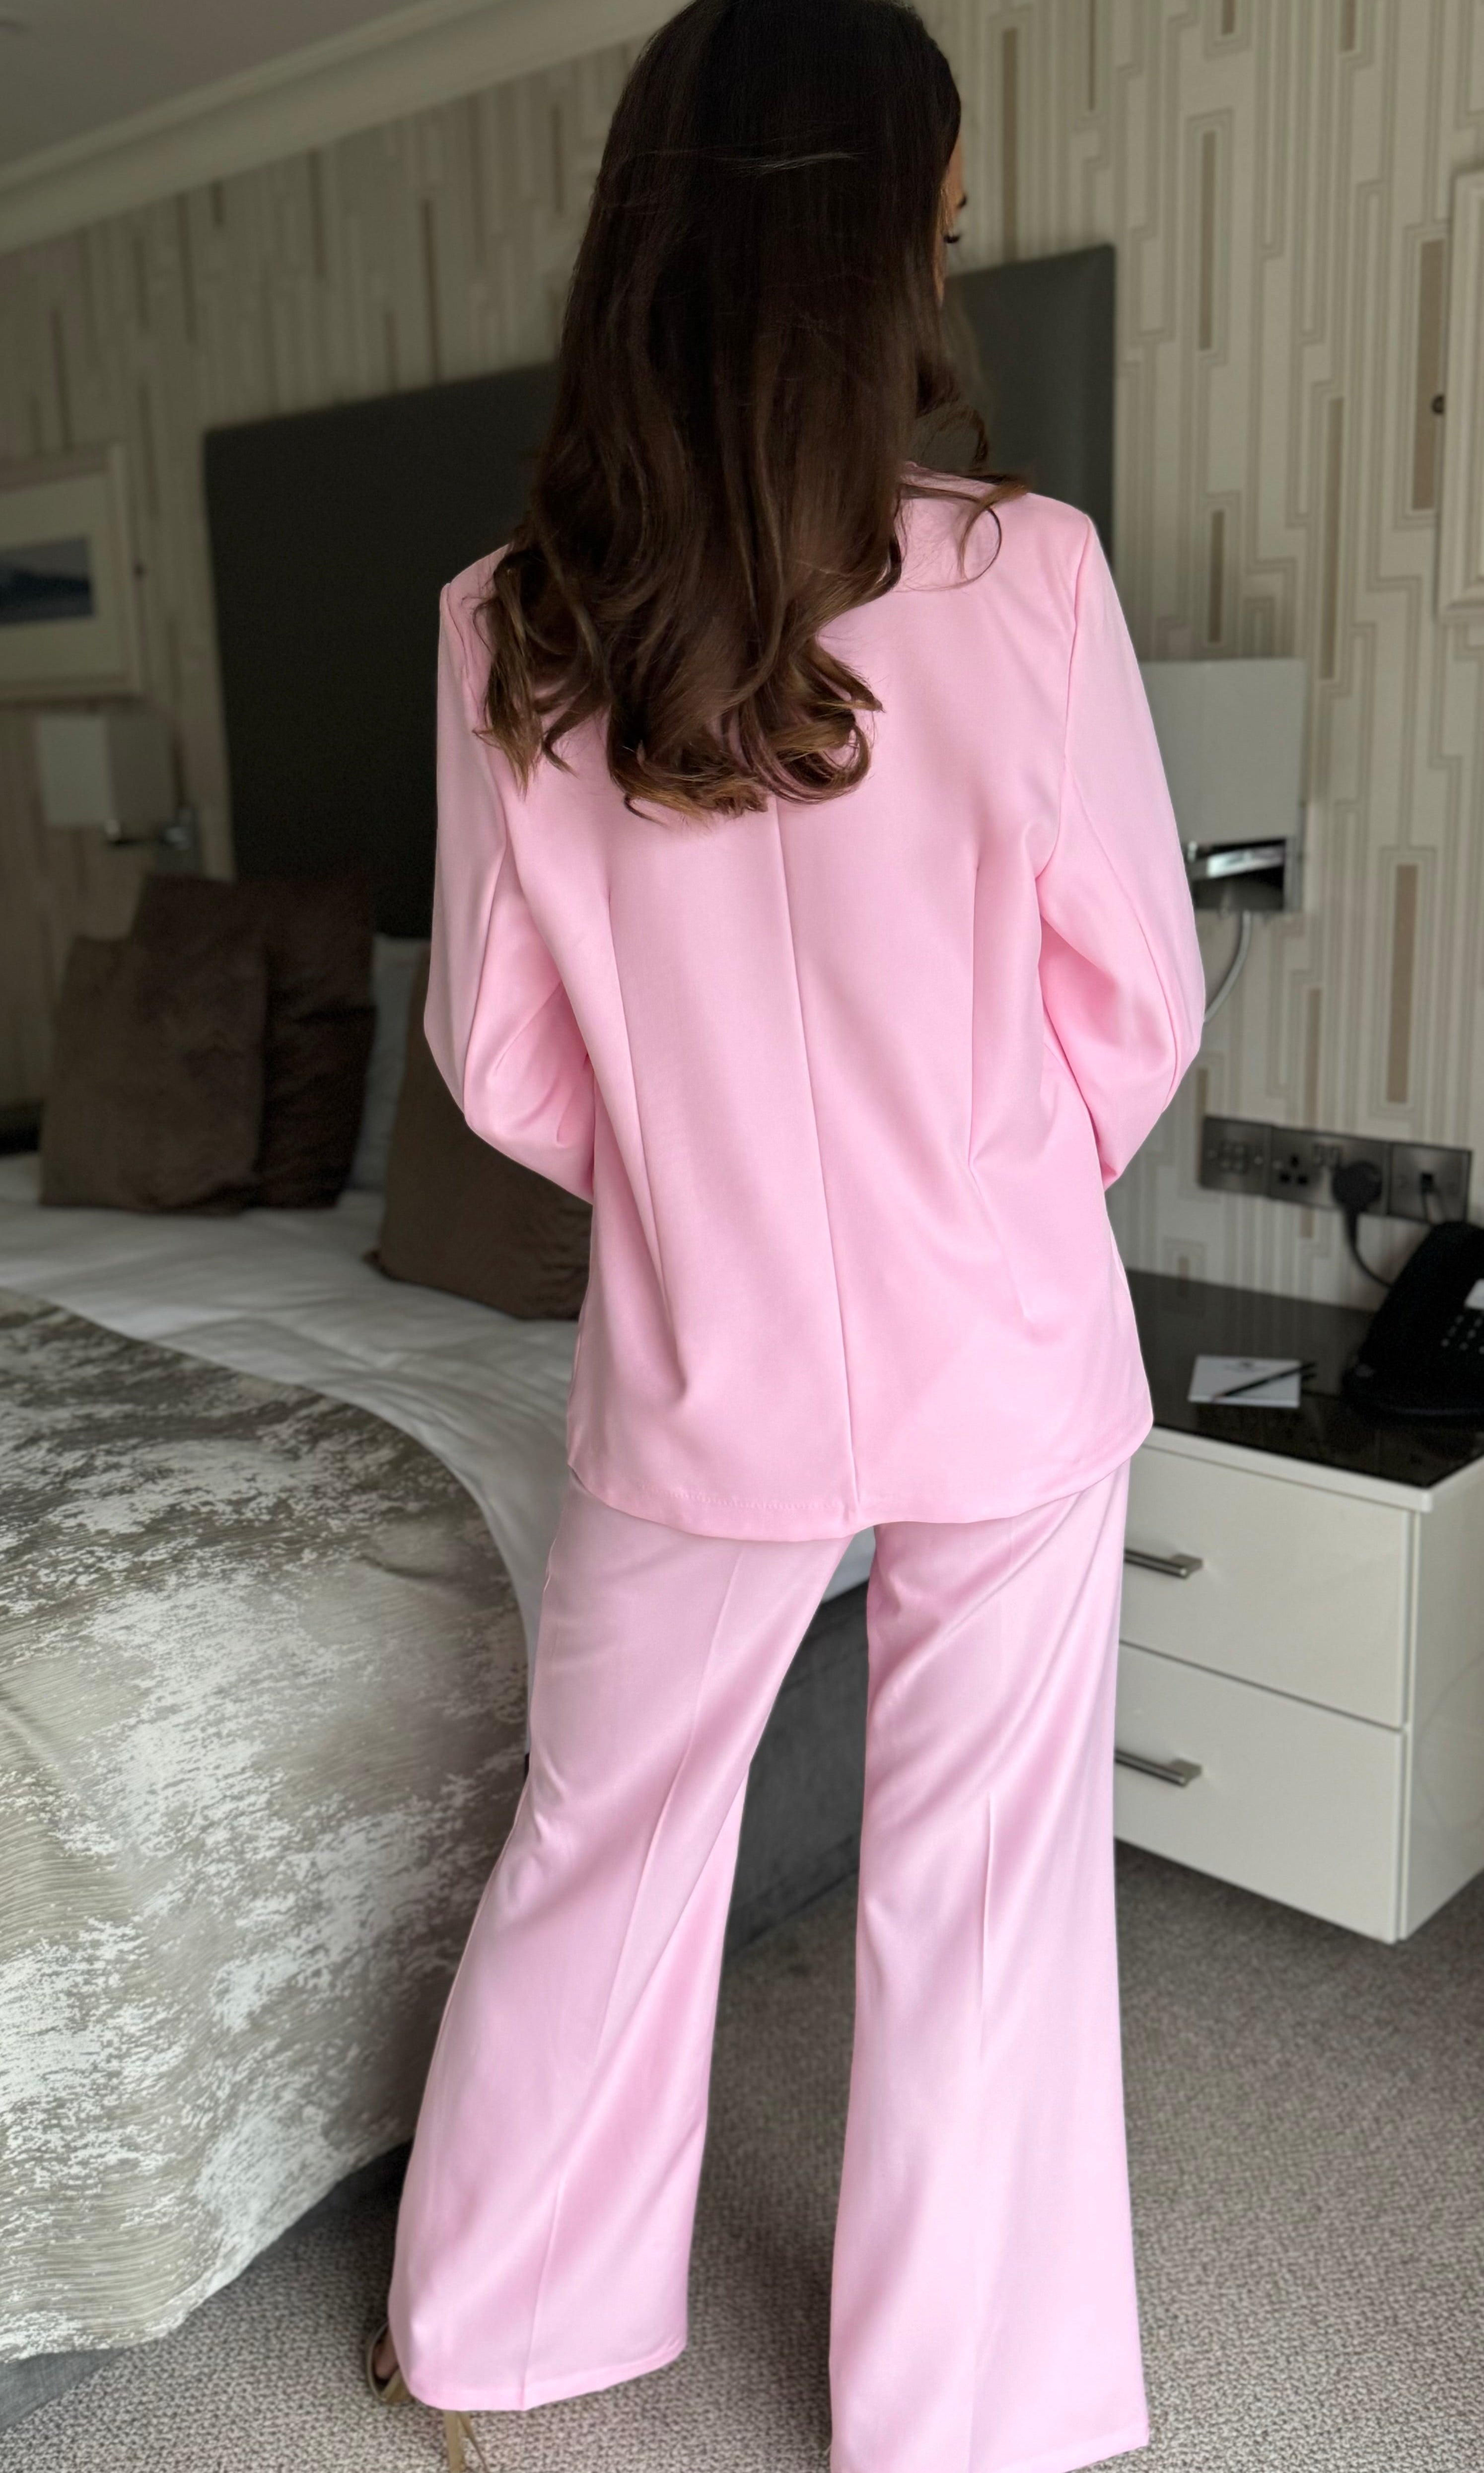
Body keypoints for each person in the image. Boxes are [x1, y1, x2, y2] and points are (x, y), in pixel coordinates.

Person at [366, 2, 1205, 2468]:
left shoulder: (505, 623)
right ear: (886, 243)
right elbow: (1133, 998)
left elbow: (494, 1054)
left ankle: (508, 2318)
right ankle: (962, 2411)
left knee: (604, 1829)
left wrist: (703, 1182)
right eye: (943, 202)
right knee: (986, 1879)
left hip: (696, 1353)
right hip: (1004, 1329)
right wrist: (966, 1176)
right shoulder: (1026, 573)